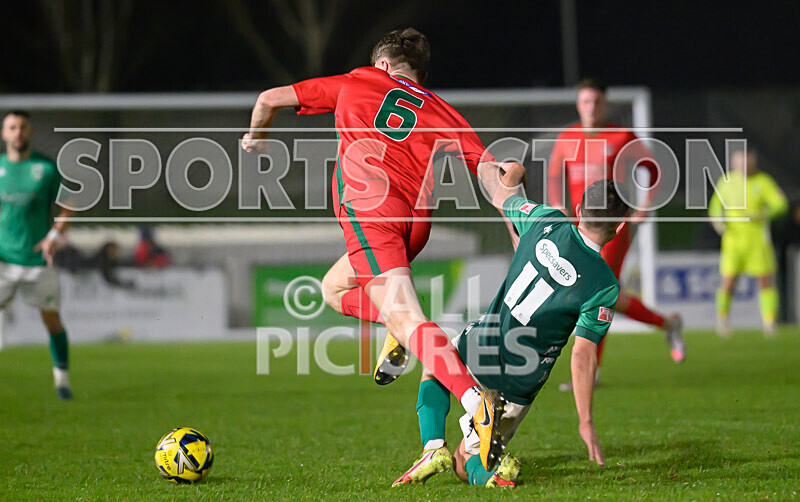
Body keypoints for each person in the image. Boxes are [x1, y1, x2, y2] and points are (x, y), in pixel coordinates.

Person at [242, 28, 522, 470]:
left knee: (411, 320)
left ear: (384, 66)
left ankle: (475, 405)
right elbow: (492, 172)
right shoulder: (441, 108)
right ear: (420, 74)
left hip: (372, 211)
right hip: (415, 221)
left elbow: (268, 98)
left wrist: (256, 138)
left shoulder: (359, 80)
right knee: (333, 289)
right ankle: (405, 332)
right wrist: (516, 219)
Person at [393, 178, 629, 488]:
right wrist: (585, 422)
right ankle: (491, 476)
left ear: (579, 208)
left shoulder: (546, 219)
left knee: (436, 365)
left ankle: (434, 445)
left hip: (483, 343)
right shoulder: (604, 284)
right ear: (620, 227)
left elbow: (504, 199)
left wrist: (509, 179)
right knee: (465, 463)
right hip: (520, 380)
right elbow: (583, 354)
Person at [547, 79, 685, 391]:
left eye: (596, 102)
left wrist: (645, 205)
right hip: (579, 227)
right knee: (603, 297)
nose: (591, 108)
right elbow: (555, 174)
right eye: (585, 102)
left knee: (598, 295)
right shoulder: (567, 138)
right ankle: (668, 324)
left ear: (605, 104)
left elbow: (654, 168)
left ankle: (590, 371)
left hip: (612, 227)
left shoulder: (621, 135)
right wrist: (558, 207)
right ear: (578, 105)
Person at [0, 110, 74, 399]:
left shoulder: (45, 168)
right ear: (4, 134)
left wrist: (55, 235)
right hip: (3, 260)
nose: (18, 132)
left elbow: (68, 204)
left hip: (38, 261)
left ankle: (62, 381)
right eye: (12, 127)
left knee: (52, 320)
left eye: (23, 127)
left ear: (30, 132)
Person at [709, 148, 787, 337]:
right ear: (734, 163)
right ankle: (722, 320)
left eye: (747, 161)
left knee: (765, 280)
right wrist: (718, 222)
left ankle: (769, 323)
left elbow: (781, 204)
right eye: (739, 161)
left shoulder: (763, 181)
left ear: (753, 161)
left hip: (757, 239)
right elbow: (714, 207)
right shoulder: (726, 182)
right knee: (728, 281)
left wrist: (764, 213)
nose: (743, 165)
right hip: (733, 240)